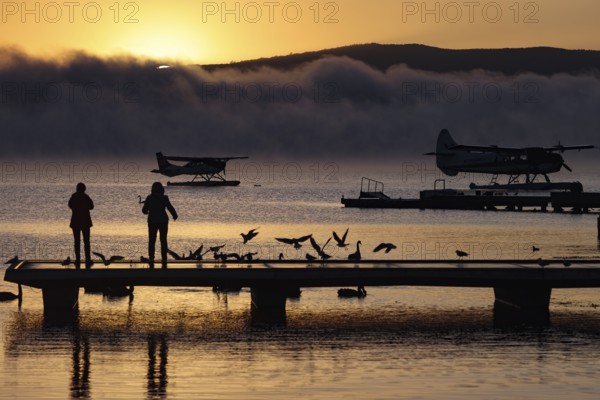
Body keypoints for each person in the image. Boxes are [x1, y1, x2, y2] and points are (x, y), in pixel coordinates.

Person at [142, 182, 178, 268]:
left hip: (152, 221)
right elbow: (170, 207)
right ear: (162, 189)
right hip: (163, 221)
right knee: (163, 240)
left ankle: (151, 258)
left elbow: (144, 210)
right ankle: (164, 258)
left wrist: (148, 211)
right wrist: (174, 215)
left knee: (152, 240)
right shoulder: (164, 198)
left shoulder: (149, 198)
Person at [69, 182, 94, 269]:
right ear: (83, 189)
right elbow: (91, 206)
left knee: (77, 242)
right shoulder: (85, 197)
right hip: (85, 222)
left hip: (76, 222)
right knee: (86, 242)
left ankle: (78, 260)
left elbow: (70, 205)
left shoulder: (74, 196)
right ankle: (87, 259)